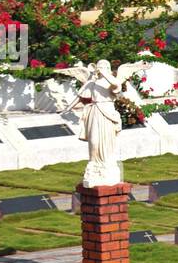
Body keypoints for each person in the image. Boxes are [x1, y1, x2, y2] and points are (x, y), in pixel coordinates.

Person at [53, 59, 146, 188]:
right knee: (94, 141)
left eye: (103, 67)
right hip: (95, 112)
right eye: (99, 66)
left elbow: (116, 86)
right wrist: (67, 108)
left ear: (107, 68)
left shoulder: (111, 82)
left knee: (106, 142)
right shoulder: (93, 82)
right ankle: (94, 165)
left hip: (107, 113)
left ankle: (106, 166)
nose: (100, 69)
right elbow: (80, 97)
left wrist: (106, 74)